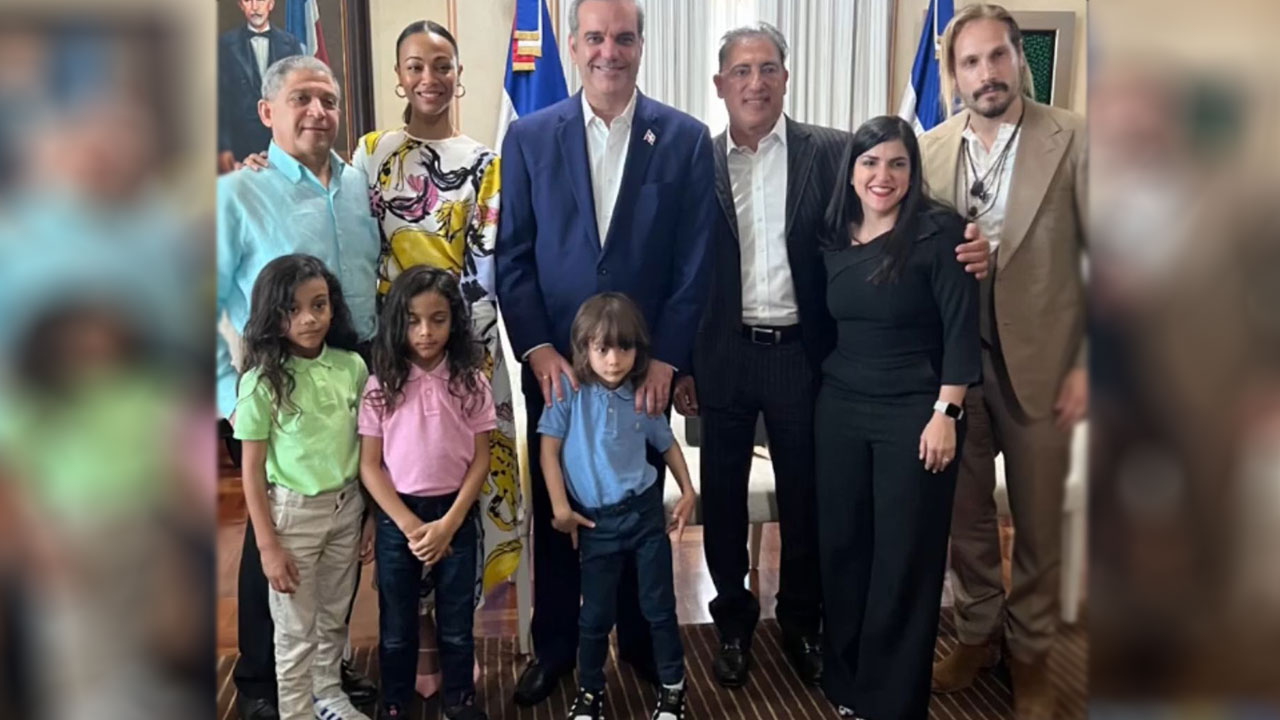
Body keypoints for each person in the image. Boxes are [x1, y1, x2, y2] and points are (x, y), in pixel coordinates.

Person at [673, 23, 991, 690]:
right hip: (722, 355)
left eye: (768, 69)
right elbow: (678, 263)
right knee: (723, 500)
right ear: (720, 84)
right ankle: (732, 623)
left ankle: (802, 620)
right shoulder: (693, 160)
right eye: (741, 71)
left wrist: (969, 240)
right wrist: (680, 363)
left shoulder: (832, 151)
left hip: (806, 355)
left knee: (810, 500)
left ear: (786, 79)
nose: (755, 83)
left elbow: (896, 198)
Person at [495, 0, 715, 705]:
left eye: (623, 38)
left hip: (641, 372)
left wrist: (667, 359)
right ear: (572, 45)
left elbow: (694, 262)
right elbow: (514, 256)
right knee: (559, 507)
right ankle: (558, 646)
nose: (608, 51)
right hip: (557, 371)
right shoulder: (529, 137)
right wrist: (537, 349)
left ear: (641, 45)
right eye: (594, 37)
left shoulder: (683, 139)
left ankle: (643, 641)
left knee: (637, 506)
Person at [922, 7, 1087, 719]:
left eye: (997, 56)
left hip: (1048, 369)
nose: (985, 74)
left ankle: (1033, 655)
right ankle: (978, 635)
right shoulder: (929, 150)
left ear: (1019, 58)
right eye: (970, 62)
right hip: (957, 371)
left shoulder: (1076, 140)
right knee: (965, 520)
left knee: (1041, 526)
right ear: (953, 75)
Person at [349, 25, 520, 691]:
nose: (430, 78)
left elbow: (485, 262)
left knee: (462, 485)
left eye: (442, 65)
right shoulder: (373, 153)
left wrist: (459, 356)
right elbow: (357, 245)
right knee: (405, 482)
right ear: (398, 75)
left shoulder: (483, 162)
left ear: (458, 74)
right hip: (393, 349)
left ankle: (456, 631)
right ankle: (417, 637)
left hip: (463, 346)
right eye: (416, 66)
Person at [217, 55, 380, 720]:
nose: (318, 111)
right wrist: (229, 389)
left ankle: (324, 674)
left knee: (341, 525)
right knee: (275, 537)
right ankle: (263, 683)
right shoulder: (237, 191)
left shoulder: (358, 183)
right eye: (301, 99)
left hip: (350, 369)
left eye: (329, 100)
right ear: (267, 113)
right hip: (273, 380)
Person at [814, 115, 980, 720]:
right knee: (843, 547)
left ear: (913, 171)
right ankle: (848, 683)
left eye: (897, 163)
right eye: (870, 162)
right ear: (851, 171)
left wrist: (946, 411)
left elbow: (961, 329)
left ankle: (891, 699)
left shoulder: (943, 232)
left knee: (903, 556)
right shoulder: (831, 233)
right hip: (840, 409)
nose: (882, 175)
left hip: (917, 413)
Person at [537, 293, 697, 720]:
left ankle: (673, 687)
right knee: (594, 617)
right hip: (596, 525)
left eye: (624, 348)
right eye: (602, 348)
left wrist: (688, 490)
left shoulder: (641, 396)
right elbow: (548, 451)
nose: (613, 360)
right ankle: (590, 692)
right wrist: (560, 509)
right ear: (584, 348)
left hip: (644, 516)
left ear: (637, 350)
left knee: (659, 608)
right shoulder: (568, 394)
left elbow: (667, 444)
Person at [232, 254, 372, 720]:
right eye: (292, 310)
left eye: (319, 305)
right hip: (293, 517)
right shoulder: (260, 383)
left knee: (333, 617)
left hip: (347, 508)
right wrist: (268, 546)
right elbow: (251, 471)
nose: (309, 319)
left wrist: (368, 515)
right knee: (294, 629)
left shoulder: (352, 367)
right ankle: (295, 710)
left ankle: (327, 694)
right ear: (271, 315)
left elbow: (367, 447)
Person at [358, 267, 495, 720]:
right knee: (397, 625)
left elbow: (480, 460)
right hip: (400, 518)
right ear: (397, 322)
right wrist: (409, 524)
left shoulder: (471, 381)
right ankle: (395, 701)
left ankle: (459, 699)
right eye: (413, 320)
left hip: (456, 513)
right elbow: (370, 466)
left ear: (454, 321)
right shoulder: (380, 385)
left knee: (456, 622)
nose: (425, 332)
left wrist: (449, 524)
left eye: (438, 319)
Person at [218, 0, 304, 173]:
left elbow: (299, 96)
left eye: (261, 0)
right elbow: (219, 100)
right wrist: (224, 148)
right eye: (248, 1)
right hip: (240, 146)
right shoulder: (225, 45)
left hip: (281, 143)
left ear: (271, 4)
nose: (255, 7)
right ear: (240, 5)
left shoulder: (291, 44)